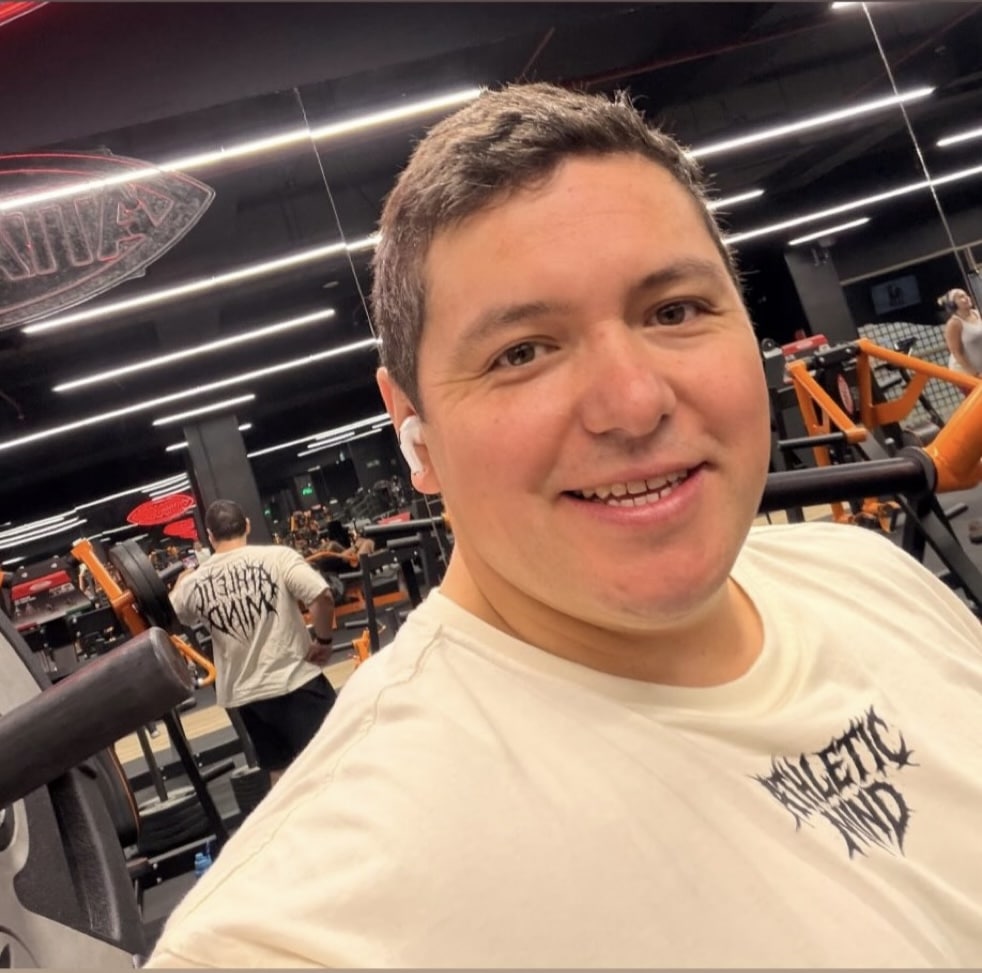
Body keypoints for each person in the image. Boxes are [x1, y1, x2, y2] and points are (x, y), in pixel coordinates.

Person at [146, 84, 982, 968]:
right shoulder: (293, 933)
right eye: (522, 353)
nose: (634, 402)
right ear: (411, 427)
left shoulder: (870, 575)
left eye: (674, 310)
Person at [169, 499, 338, 786]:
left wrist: (179, 584)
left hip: (249, 698)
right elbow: (322, 596)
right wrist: (323, 640)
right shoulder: (278, 558)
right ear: (247, 525)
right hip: (295, 680)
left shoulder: (193, 582)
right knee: (338, 758)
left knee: (280, 775)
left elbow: (168, 618)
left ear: (210, 536)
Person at [941, 286, 982, 379]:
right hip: (965, 372)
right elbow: (956, 352)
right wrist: (974, 374)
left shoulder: (978, 313)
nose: (966, 298)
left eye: (966, 295)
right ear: (952, 304)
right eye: (961, 297)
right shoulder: (954, 324)